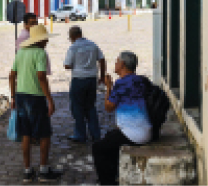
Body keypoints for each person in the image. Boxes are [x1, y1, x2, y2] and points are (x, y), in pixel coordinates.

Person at [9, 24, 63, 183]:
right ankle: (44, 170)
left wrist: (13, 96)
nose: (46, 41)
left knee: (26, 134)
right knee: (45, 134)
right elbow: (41, 76)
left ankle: (27, 170)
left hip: (21, 97)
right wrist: (50, 99)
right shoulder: (40, 53)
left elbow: (12, 75)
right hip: (36, 98)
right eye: (45, 38)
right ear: (39, 40)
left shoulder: (20, 53)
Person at [92, 51, 153, 186]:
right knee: (110, 137)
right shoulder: (140, 80)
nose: (115, 63)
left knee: (98, 148)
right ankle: (113, 175)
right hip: (146, 130)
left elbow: (109, 107)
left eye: (117, 61)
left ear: (123, 64)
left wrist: (109, 87)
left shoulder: (122, 83)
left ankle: (106, 182)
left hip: (134, 134)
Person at [63, 26, 106, 143]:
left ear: (72, 37)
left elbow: (67, 65)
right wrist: (102, 76)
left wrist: (77, 65)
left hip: (79, 80)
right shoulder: (93, 45)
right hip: (92, 79)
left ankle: (80, 135)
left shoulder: (73, 48)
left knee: (77, 108)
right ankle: (95, 134)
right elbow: (102, 59)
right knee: (91, 107)